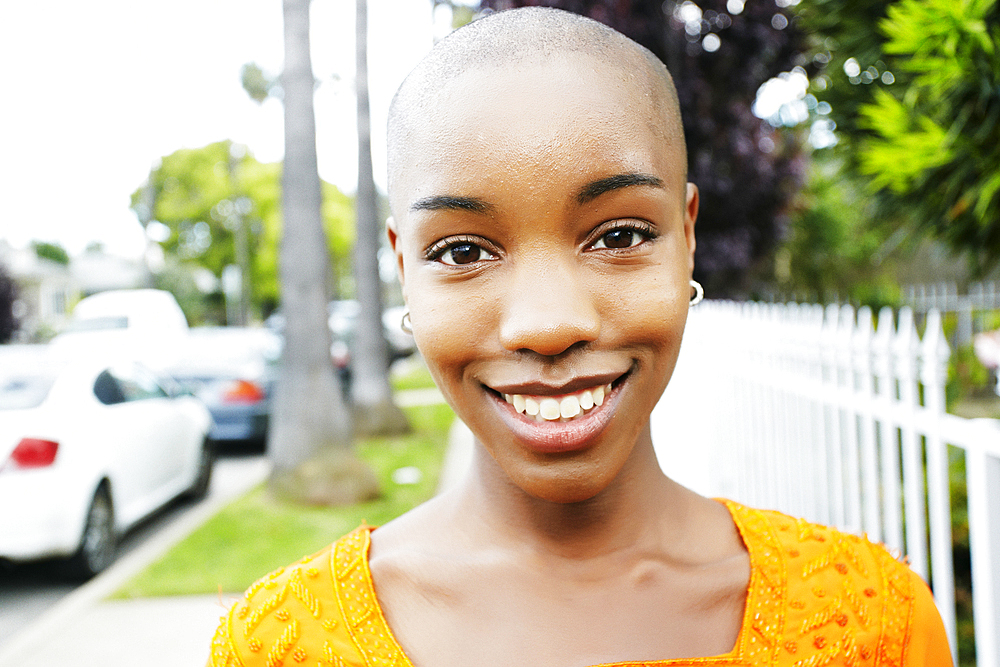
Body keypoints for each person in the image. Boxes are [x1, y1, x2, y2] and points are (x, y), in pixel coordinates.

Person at [207, 8, 952, 666]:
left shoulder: (879, 627)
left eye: (619, 234)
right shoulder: (278, 649)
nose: (548, 322)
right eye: (463, 251)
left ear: (685, 238)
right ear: (406, 270)